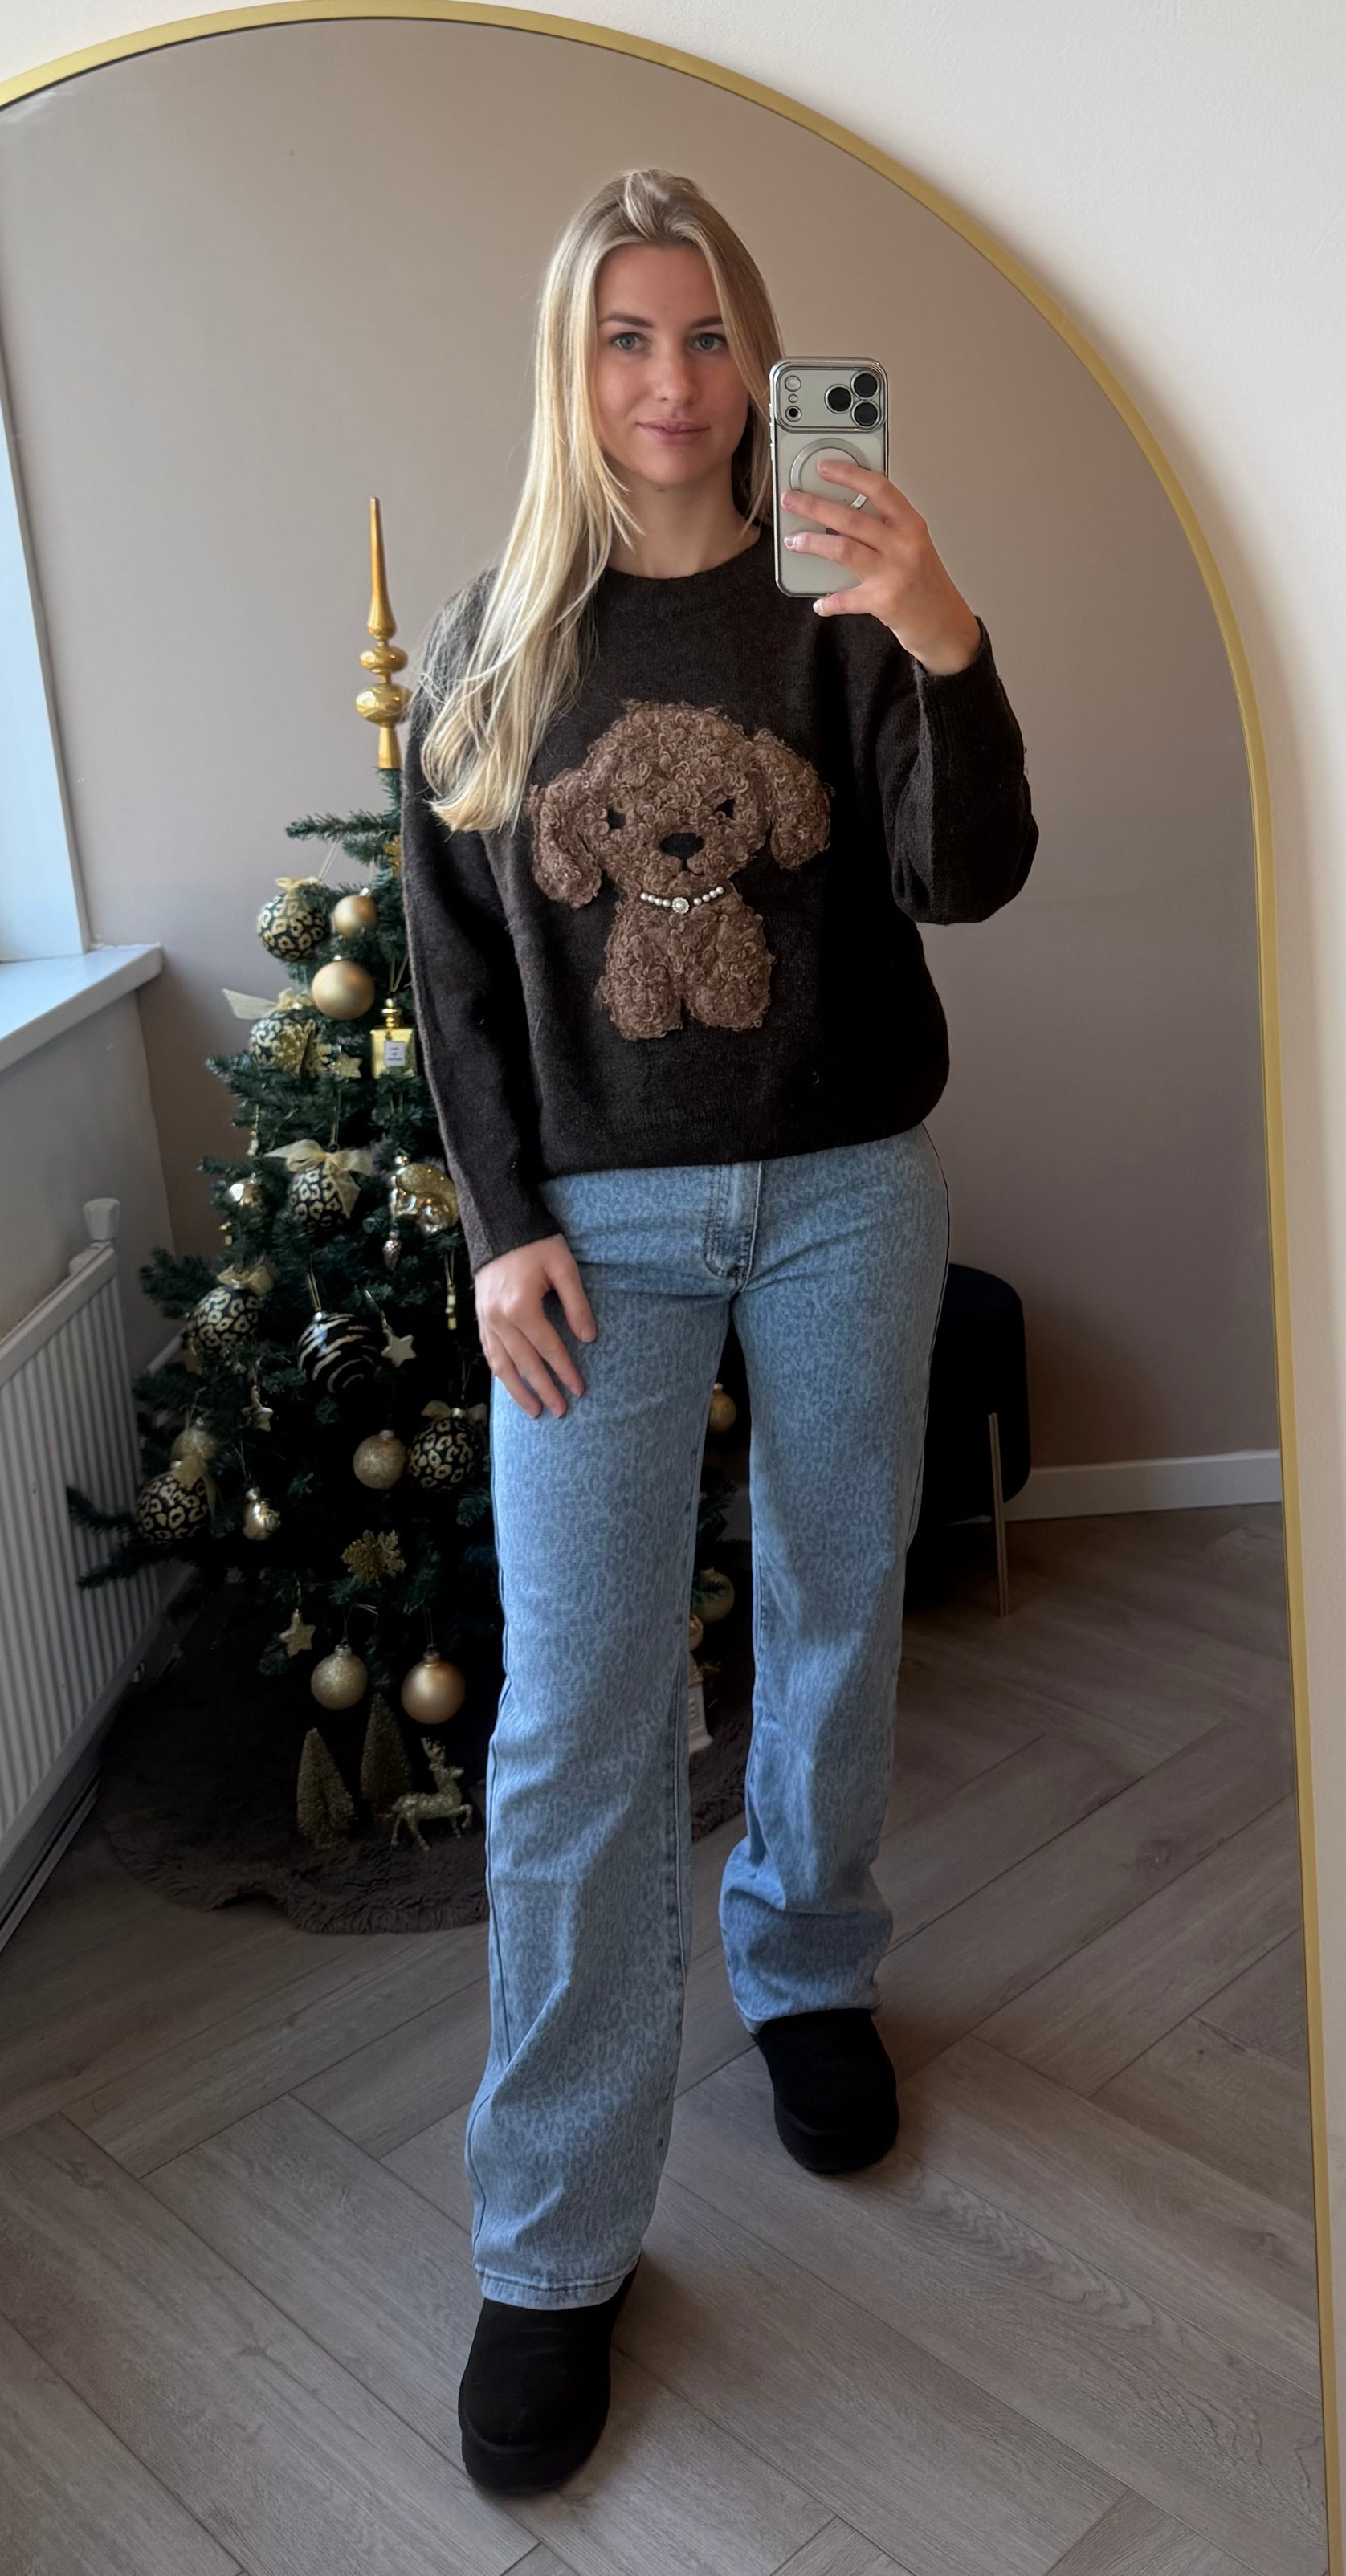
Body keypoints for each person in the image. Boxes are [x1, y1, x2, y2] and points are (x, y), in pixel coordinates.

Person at [398, 165, 1037, 2497]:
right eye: (623, 339)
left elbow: (965, 874)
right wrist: (500, 1229)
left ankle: (810, 1965)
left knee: (832, 1604)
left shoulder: (838, 605)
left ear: (759, 358)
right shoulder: (501, 638)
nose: (670, 383)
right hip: (599, 1231)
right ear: (569, 371)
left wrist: (943, 630)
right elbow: (457, 970)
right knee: (573, 1720)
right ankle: (553, 2238)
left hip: (849, 1191)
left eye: (704, 335)